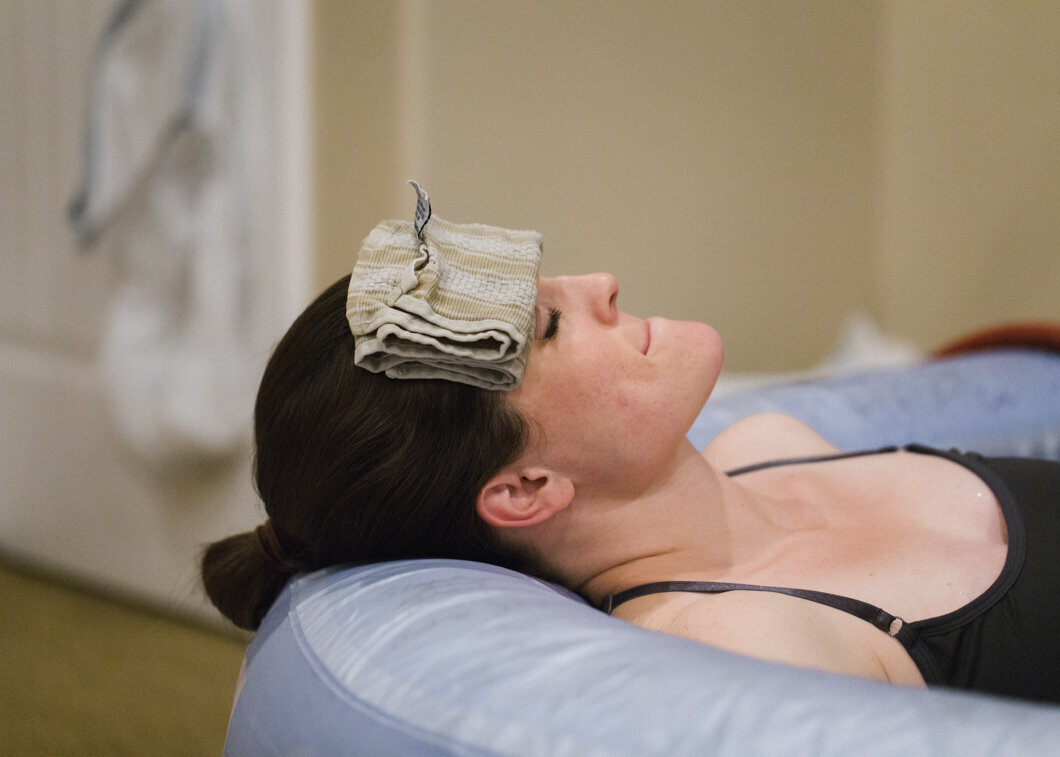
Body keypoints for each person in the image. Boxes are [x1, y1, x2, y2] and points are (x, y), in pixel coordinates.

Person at [202, 271, 1060, 704]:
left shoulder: (774, 444)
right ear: (527, 486)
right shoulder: (749, 638)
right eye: (554, 322)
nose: (602, 281)